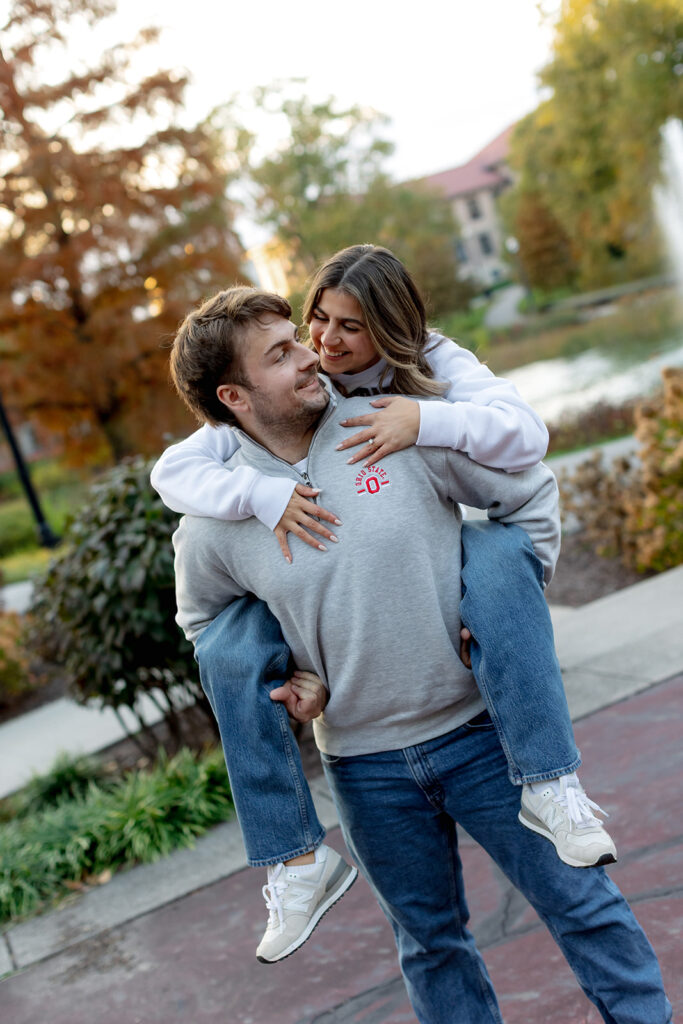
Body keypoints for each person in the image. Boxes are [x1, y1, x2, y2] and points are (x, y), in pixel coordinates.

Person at [169, 285, 671, 1023]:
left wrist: (508, 604)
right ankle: (294, 861)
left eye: (297, 338)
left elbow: (525, 490)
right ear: (234, 396)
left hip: (481, 737)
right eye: (281, 354)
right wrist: (281, 677)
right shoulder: (216, 515)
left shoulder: (385, 425)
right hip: (365, 769)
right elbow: (205, 625)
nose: (312, 354)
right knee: (430, 947)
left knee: (579, 903)